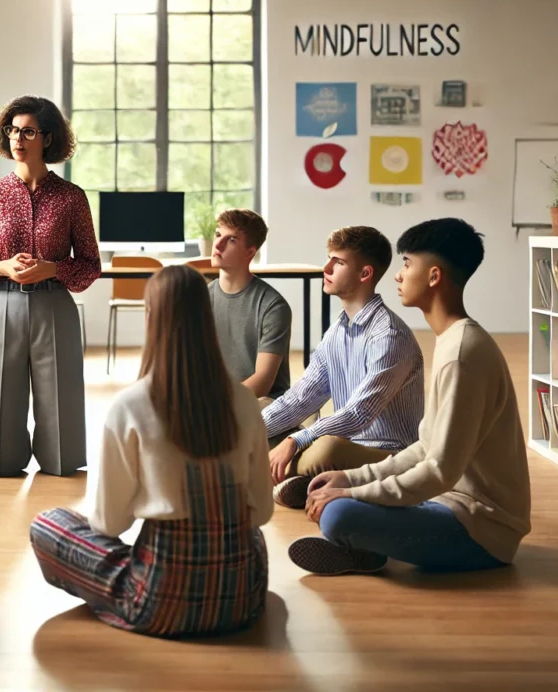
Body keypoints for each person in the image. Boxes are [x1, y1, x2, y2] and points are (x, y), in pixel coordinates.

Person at [30, 265, 271, 637]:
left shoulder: (129, 406)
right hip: (241, 601)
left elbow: (110, 524)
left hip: (158, 602)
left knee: (46, 524)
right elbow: (262, 511)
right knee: (250, 536)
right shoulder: (244, 401)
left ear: (150, 320)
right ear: (207, 321)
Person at [289, 218, 532, 575]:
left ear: (434, 277)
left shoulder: (462, 353)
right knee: (338, 498)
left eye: (407, 264)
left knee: (339, 513)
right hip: (447, 506)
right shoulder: (454, 340)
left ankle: (363, 545)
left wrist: (352, 495)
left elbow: (438, 471)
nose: (398, 276)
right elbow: (423, 447)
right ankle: (366, 552)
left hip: (482, 530)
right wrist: (352, 479)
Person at [0, 95, 100, 477]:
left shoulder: (72, 198)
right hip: (2, 305)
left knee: (61, 397)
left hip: (54, 306)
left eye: (27, 131)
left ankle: (59, 459)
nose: (17, 138)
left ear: (48, 139)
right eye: (12, 130)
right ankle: (1, 460)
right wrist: (1, 266)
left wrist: (52, 269)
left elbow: (90, 265)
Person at [262, 226, 425, 509]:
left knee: (326, 447)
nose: (326, 267)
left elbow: (358, 414)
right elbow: (300, 399)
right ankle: (305, 480)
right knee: (259, 409)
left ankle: (290, 474)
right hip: (343, 442)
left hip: (386, 455)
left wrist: (295, 440)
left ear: (364, 274)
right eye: (329, 258)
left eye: (338, 262)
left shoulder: (388, 336)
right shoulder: (337, 330)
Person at [206, 209, 291, 411]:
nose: (218, 245)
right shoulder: (202, 298)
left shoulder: (273, 306)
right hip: (214, 403)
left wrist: (213, 406)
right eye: (218, 235)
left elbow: (262, 383)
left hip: (261, 406)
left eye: (232, 240)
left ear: (250, 252)